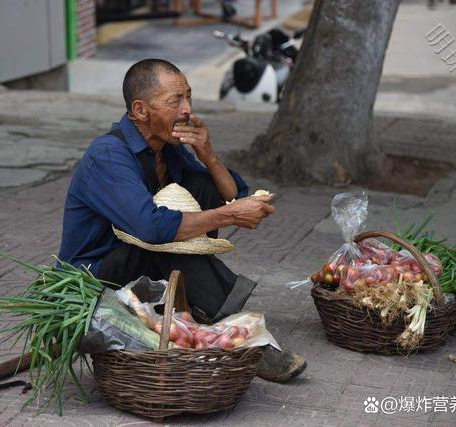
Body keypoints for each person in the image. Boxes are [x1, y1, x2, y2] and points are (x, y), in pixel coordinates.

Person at [58, 58, 306, 383]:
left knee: (200, 186)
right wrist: (231, 215)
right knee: (165, 242)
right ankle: (243, 337)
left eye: (188, 97)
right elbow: (151, 228)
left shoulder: (168, 148)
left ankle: (199, 308)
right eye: (176, 101)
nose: (187, 109)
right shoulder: (108, 155)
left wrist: (209, 155)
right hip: (94, 274)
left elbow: (229, 193)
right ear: (141, 110)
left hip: (140, 262)